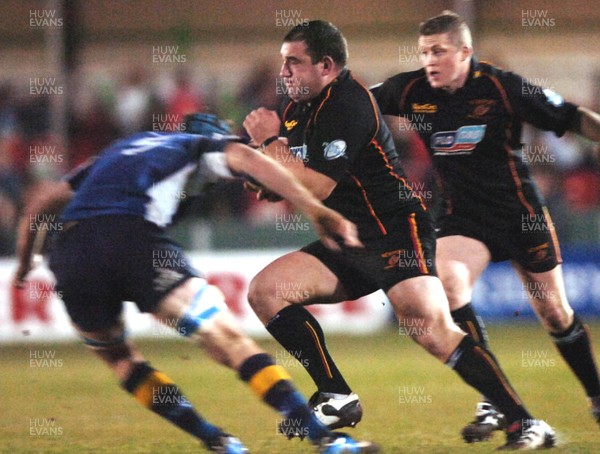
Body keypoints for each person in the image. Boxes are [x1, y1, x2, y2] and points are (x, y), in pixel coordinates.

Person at [243, 20, 555, 450]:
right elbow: (291, 180)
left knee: (430, 330)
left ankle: (526, 423)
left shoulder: (348, 102)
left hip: (395, 231)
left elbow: (315, 188)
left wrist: (270, 142)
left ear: (327, 65)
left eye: (294, 61)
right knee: (266, 290)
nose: (285, 71)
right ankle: (336, 393)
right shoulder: (299, 111)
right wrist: (262, 174)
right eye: (283, 62)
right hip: (347, 239)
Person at [13, 113, 379, 454]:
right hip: (130, 236)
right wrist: (316, 211)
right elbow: (247, 160)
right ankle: (325, 441)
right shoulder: (197, 147)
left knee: (121, 359)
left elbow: (39, 206)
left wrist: (25, 266)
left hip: (71, 254)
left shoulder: (123, 148)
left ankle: (217, 441)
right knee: (228, 340)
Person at [372, 10, 600, 444]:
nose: (430, 60)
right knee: (449, 284)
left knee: (554, 314)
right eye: (424, 53)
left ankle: (596, 394)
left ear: (465, 52)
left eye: (438, 51)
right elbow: (355, 102)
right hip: (463, 219)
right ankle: (496, 401)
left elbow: (571, 117)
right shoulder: (410, 90)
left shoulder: (504, 87)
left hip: (520, 217)